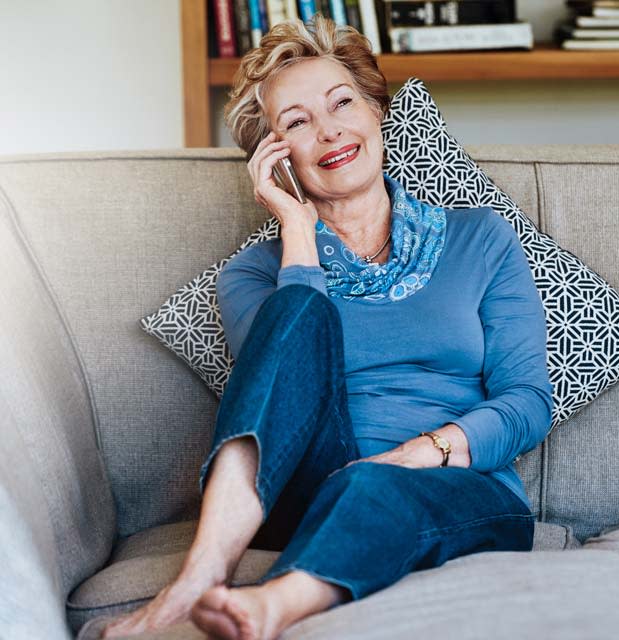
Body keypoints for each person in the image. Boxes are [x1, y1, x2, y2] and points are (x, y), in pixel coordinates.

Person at [101, 13, 552, 640]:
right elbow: (281, 397)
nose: (329, 130)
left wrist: (415, 455)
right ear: (275, 157)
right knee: (298, 315)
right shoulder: (253, 275)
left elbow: (528, 401)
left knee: (375, 484)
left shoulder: (481, 238)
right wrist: (297, 229)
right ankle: (200, 577)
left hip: (460, 486)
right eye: (296, 123)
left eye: (342, 103)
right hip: (312, 488)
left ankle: (270, 608)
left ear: (376, 113)